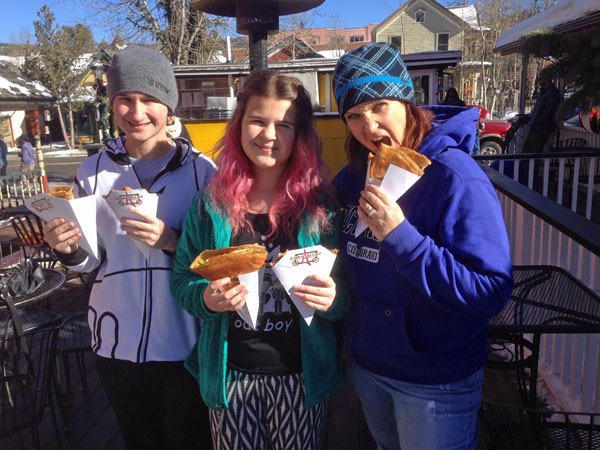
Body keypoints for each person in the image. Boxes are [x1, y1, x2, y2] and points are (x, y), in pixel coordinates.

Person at [331, 42, 514, 450]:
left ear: (406, 103)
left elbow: (490, 291)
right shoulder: (351, 177)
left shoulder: (454, 176)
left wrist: (401, 237)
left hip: (434, 380)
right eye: (354, 115)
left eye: (379, 106)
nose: (369, 126)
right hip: (368, 365)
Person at [42, 45, 215, 450]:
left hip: (184, 341)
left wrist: (171, 240)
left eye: (149, 99)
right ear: (112, 104)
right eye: (125, 99)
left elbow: (217, 259)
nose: (136, 112)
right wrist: (66, 249)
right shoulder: (92, 171)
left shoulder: (203, 172)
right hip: (116, 343)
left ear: (168, 107)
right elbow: (88, 262)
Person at [170, 70, 350, 449]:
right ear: (239, 126)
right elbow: (183, 280)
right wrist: (206, 298)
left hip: (301, 376)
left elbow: (346, 296)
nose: (269, 135)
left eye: (284, 125)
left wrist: (333, 301)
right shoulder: (210, 206)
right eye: (257, 121)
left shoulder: (323, 208)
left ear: (299, 136)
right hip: (229, 374)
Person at [522, 68, 560, 153]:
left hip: (542, 128)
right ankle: (525, 166)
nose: (538, 81)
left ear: (547, 79)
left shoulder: (552, 93)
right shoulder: (543, 92)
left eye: (540, 79)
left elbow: (549, 112)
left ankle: (533, 166)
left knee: (535, 152)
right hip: (535, 127)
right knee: (526, 150)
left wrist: (537, 122)